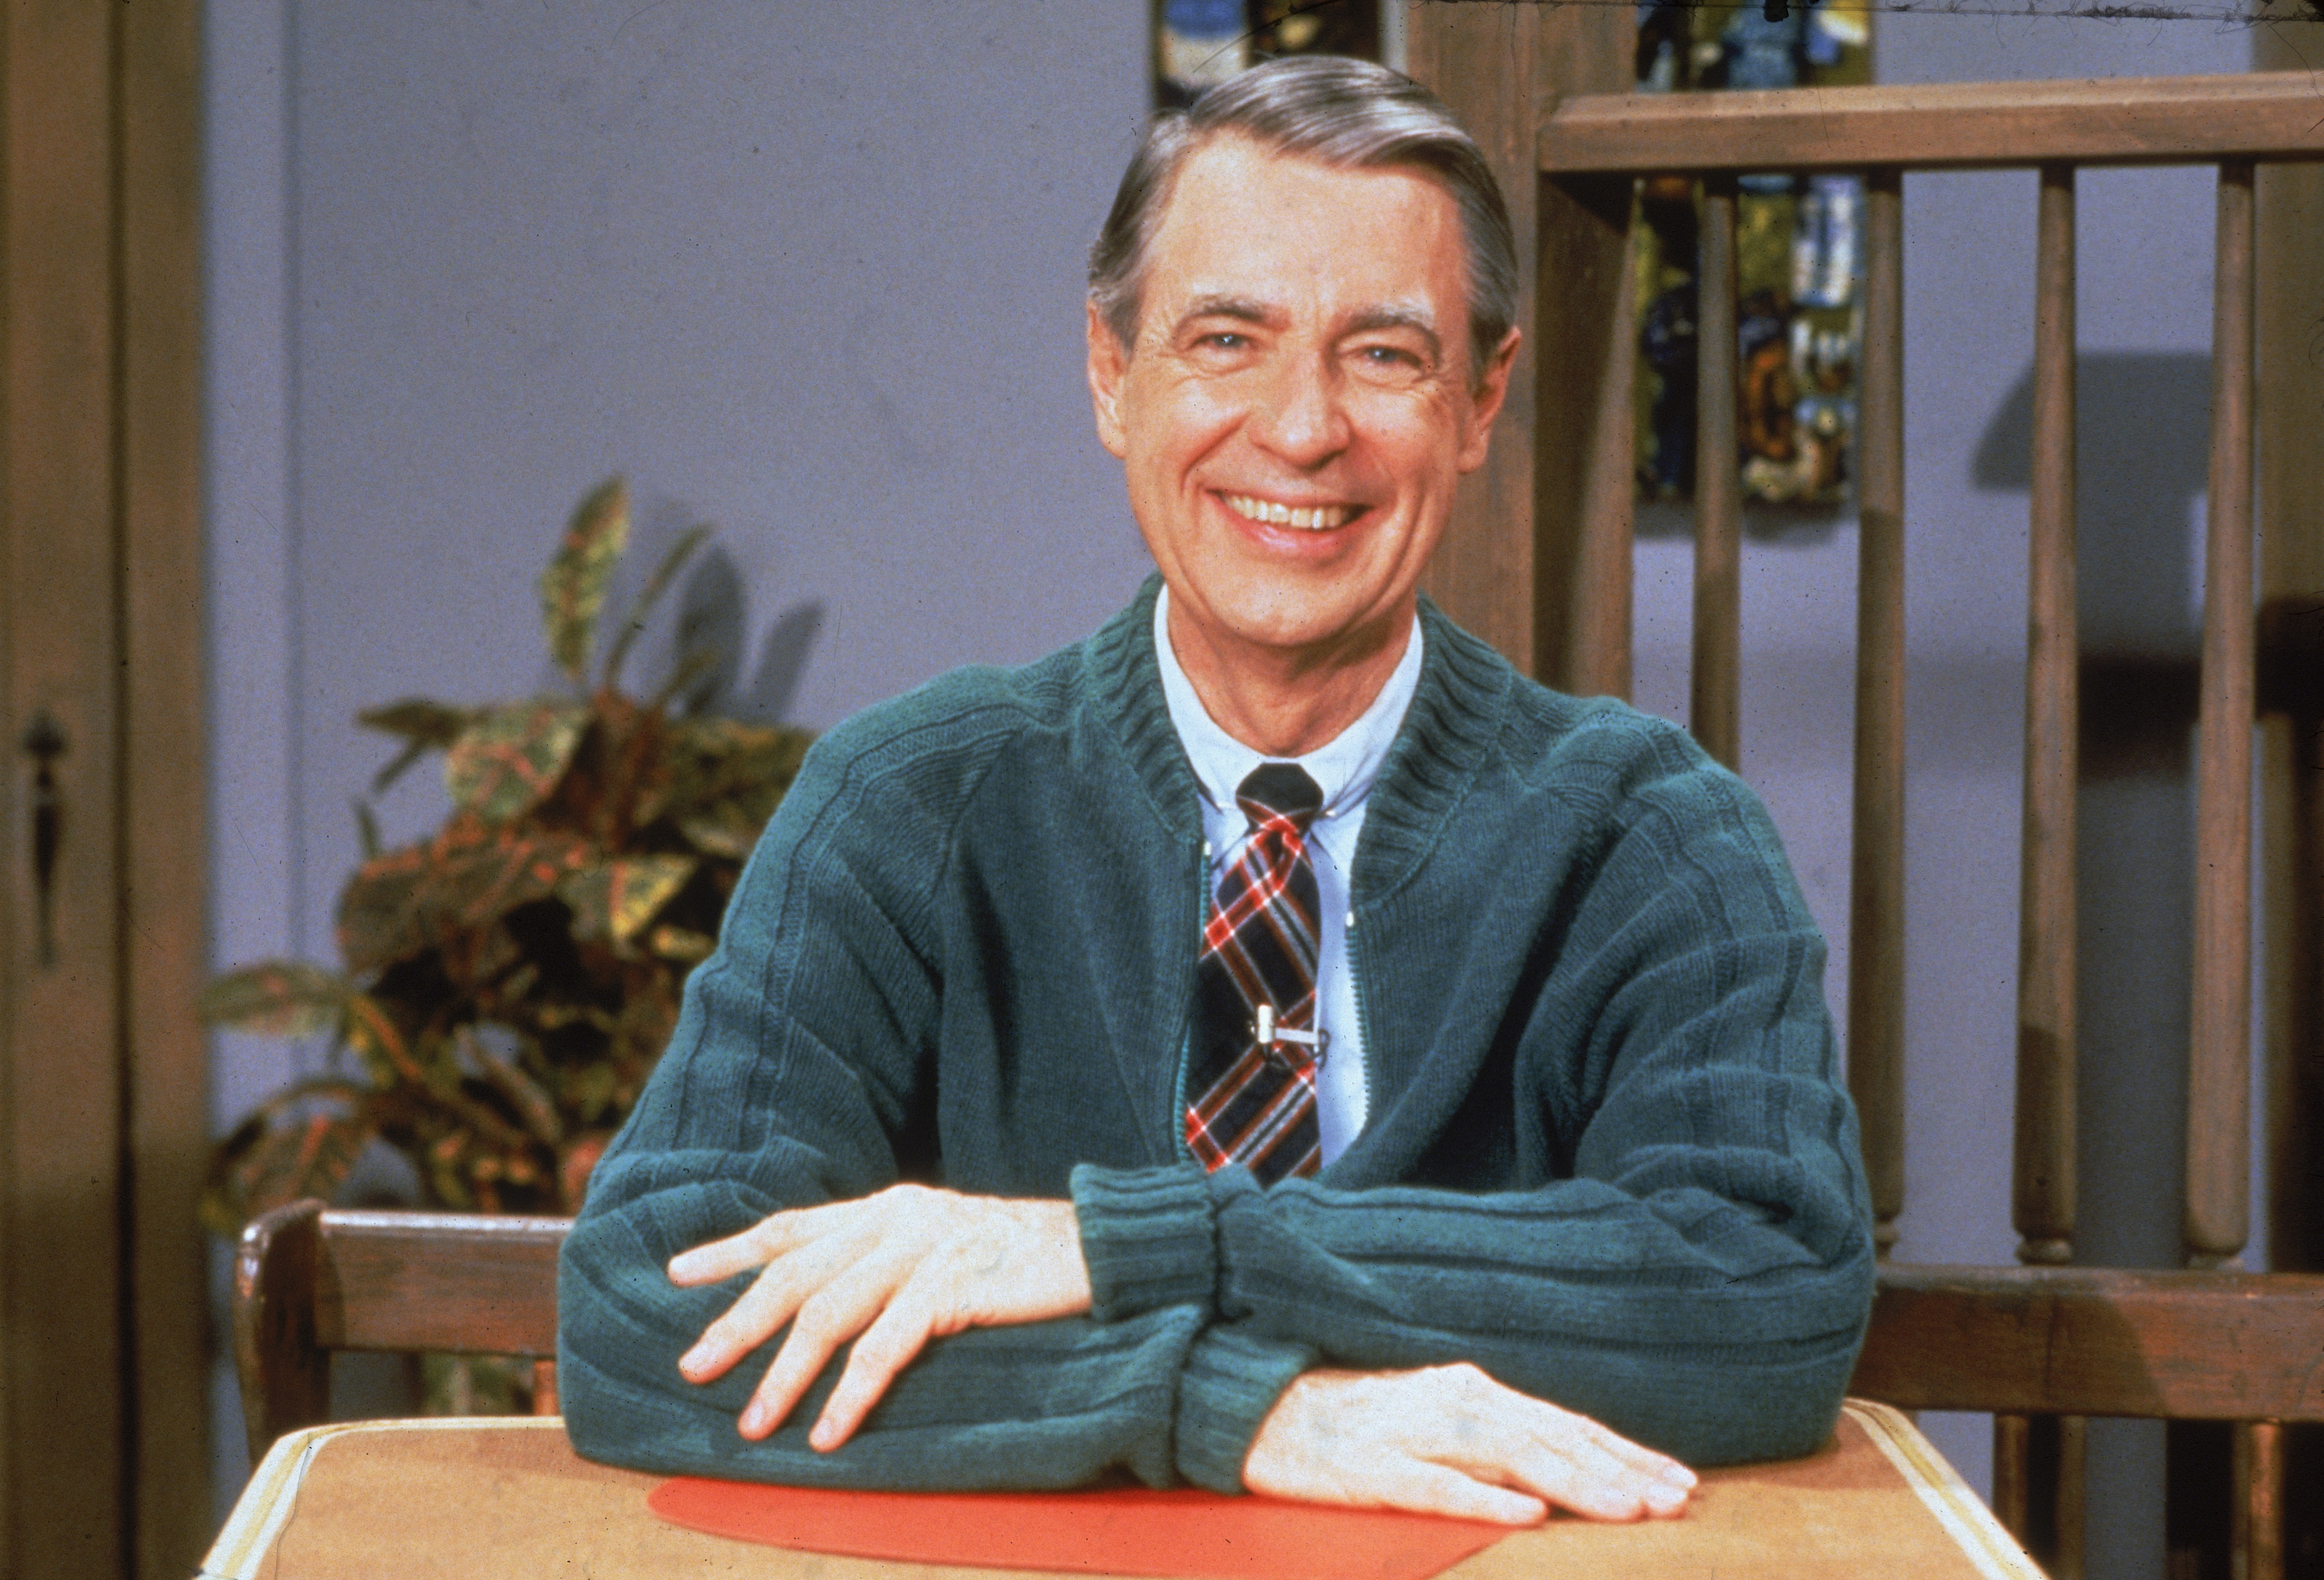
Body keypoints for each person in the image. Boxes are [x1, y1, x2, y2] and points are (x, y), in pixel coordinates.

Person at [558, 55, 1874, 1528]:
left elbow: (1765, 1299)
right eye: (1226, 339)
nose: (1300, 428)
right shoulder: (905, 803)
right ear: (1112, 376)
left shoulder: (1653, 836)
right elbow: (637, 1314)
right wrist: (1220, 1403)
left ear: (1481, 401)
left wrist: (1143, 1247)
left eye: (1383, 354)